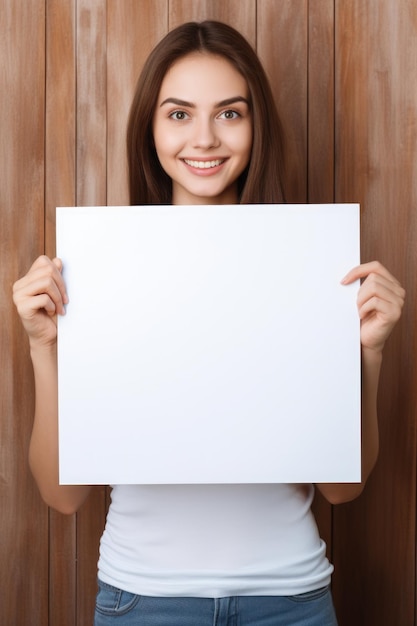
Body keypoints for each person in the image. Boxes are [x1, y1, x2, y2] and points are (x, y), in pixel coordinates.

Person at [13, 20, 405, 626]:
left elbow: (341, 490)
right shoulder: (100, 271)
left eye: (229, 113)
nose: (204, 138)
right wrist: (44, 347)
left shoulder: (307, 266)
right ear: (149, 127)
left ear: (256, 126)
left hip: (291, 598)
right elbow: (63, 497)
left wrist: (369, 354)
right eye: (178, 114)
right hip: (142, 597)